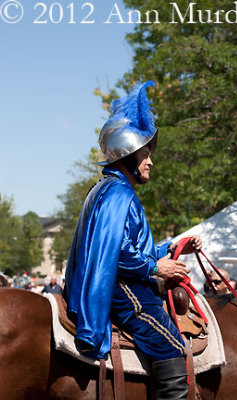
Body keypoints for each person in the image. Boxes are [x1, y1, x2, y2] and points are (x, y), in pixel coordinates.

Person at [64, 81, 202, 399]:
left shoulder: (109, 189)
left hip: (121, 283)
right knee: (171, 345)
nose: (150, 161)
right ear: (126, 157)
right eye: (144, 154)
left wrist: (173, 248)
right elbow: (119, 253)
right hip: (124, 294)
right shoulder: (118, 192)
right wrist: (156, 270)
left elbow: (131, 247)